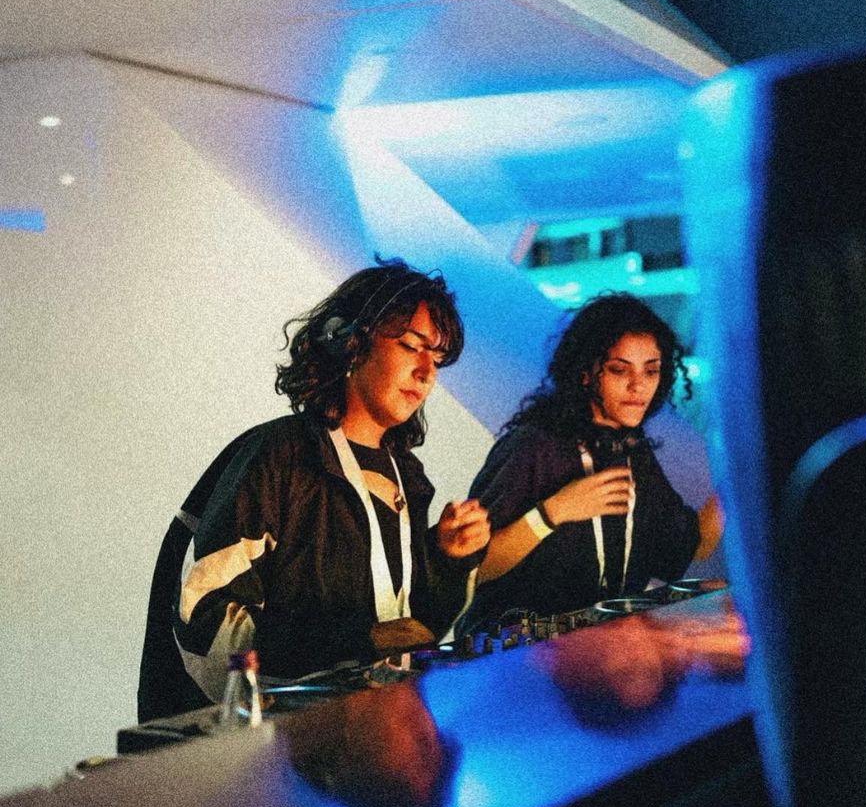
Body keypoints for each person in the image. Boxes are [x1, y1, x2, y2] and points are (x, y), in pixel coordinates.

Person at [173, 259, 490, 703]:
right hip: (279, 738)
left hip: (372, 724)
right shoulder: (279, 456)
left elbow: (411, 633)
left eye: (437, 359)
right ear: (347, 342)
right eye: (410, 346)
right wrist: (355, 642)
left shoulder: (407, 475)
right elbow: (205, 620)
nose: (427, 372)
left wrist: (447, 561)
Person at [460, 293, 723, 634]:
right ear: (586, 373)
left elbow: (693, 546)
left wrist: (738, 478)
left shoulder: (632, 453)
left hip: (597, 648)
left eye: (651, 371)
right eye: (619, 369)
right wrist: (551, 513)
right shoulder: (533, 446)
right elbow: (470, 571)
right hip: (514, 652)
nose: (638, 385)